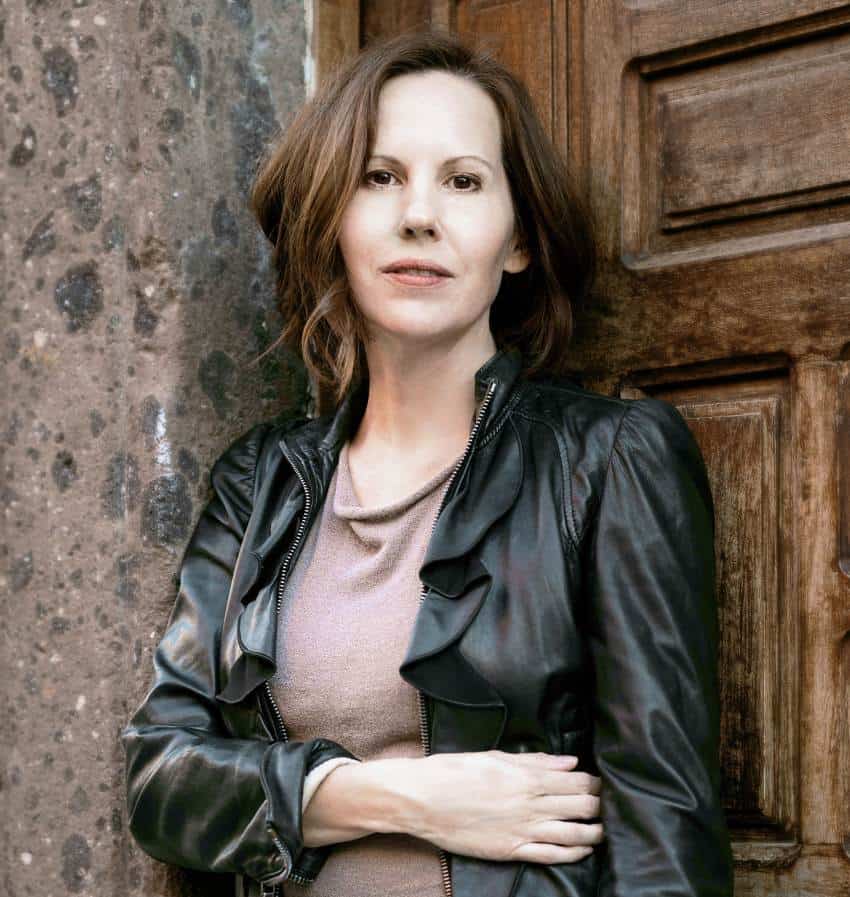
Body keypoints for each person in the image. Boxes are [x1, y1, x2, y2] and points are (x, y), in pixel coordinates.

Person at [120, 26, 733, 897]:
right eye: (380, 177)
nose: (419, 213)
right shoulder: (259, 486)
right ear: (335, 221)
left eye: (464, 180)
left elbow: (666, 838)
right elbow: (161, 777)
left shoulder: (608, 461)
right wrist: (405, 796)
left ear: (518, 241)